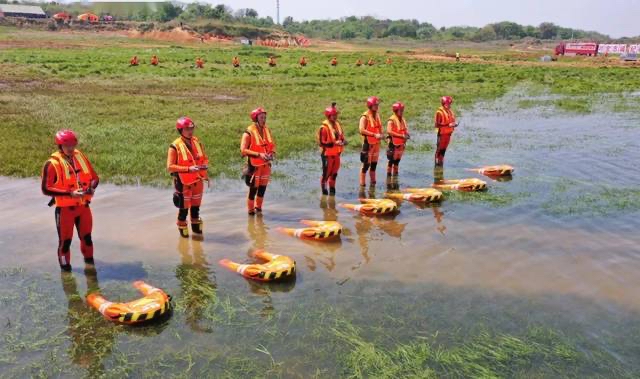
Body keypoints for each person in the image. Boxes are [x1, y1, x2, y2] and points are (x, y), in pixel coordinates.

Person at [41, 130, 99, 271]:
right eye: (67, 146)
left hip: (84, 207)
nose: (71, 148)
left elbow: (95, 178)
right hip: (65, 211)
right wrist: (70, 193)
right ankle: (66, 274)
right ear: (60, 146)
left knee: (87, 239)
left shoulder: (80, 156)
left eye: (73, 145)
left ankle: (90, 269)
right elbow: (46, 189)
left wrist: (91, 188)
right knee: (65, 243)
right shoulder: (52, 164)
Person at [167, 117, 209, 238]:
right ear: (180, 130)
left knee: (196, 210)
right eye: (187, 129)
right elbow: (170, 167)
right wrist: (188, 169)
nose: (190, 131)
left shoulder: (197, 141)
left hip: (198, 181)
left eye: (192, 128)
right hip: (183, 183)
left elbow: (204, 157)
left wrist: (205, 165)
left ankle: (197, 238)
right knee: (183, 211)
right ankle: (184, 240)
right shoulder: (174, 146)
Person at [241, 107, 276, 215]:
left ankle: (259, 210)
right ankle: (250, 212)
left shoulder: (267, 130)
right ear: (255, 118)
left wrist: (272, 153)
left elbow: (271, 145)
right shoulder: (248, 133)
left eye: (265, 117)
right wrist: (259, 154)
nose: (264, 119)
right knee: (253, 191)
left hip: (266, 166)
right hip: (254, 167)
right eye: (261, 117)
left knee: (262, 190)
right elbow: (243, 150)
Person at [317, 102, 346, 195]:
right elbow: (322, 143)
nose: (335, 117)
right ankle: (324, 194)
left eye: (336, 115)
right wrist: (334, 143)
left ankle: (332, 193)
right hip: (327, 155)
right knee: (326, 175)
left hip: (336, 154)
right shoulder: (324, 128)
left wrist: (343, 142)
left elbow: (341, 137)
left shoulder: (337, 125)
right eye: (333, 115)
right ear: (328, 116)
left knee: (334, 174)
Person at [359, 96, 383, 187]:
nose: (377, 106)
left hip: (376, 144)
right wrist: (373, 135)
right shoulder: (364, 117)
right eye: (375, 105)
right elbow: (361, 130)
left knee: (374, 165)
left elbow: (379, 128)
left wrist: (381, 135)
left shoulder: (377, 115)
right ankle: (362, 185)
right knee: (366, 165)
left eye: (377, 105)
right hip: (368, 144)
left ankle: (373, 183)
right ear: (370, 105)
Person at [386, 101, 410, 177]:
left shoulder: (403, 119)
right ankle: (389, 176)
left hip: (401, 144)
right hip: (393, 144)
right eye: (400, 110)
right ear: (396, 111)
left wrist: (407, 135)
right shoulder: (391, 120)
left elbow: (405, 129)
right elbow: (389, 131)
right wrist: (401, 136)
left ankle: (396, 175)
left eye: (402, 110)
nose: (402, 112)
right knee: (391, 160)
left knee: (397, 161)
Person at [434, 96, 458, 166]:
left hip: (448, 133)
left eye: (450, 104)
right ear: (444, 104)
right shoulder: (439, 112)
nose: (450, 105)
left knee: (444, 149)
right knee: (439, 149)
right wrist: (448, 125)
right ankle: (437, 164)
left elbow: (452, 120)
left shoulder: (450, 111)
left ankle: (441, 162)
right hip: (442, 133)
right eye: (448, 104)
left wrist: (454, 124)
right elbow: (437, 124)